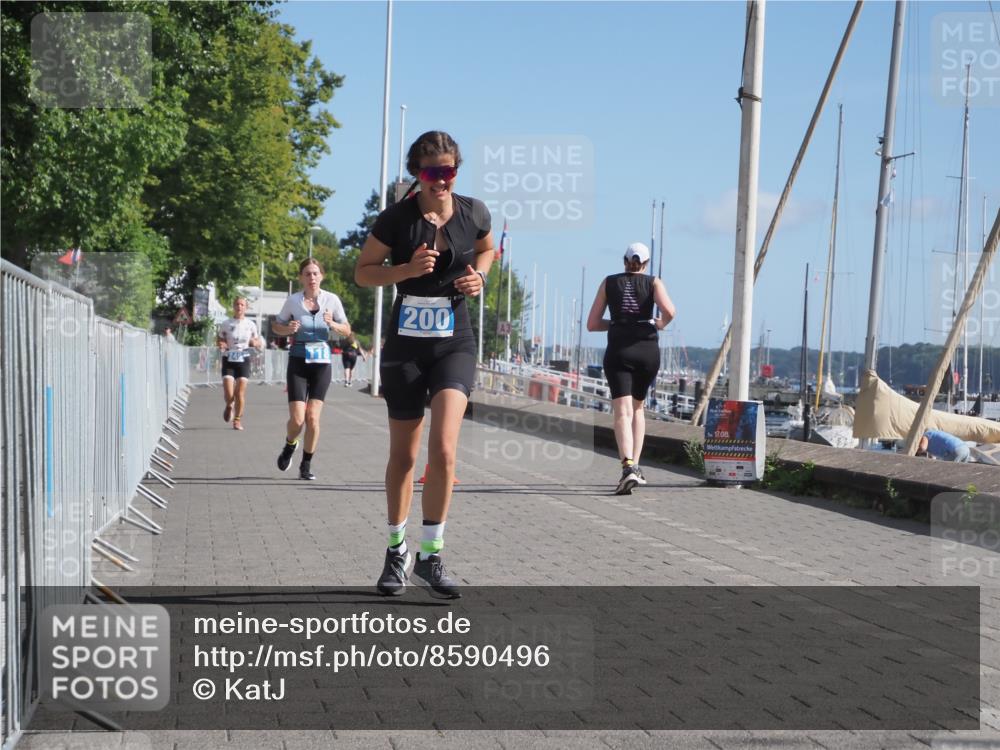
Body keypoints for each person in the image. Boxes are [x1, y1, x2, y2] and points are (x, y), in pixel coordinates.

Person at [356, 130, 493, 599]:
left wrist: (480, 276)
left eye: (450, 171)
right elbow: (363, 271)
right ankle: (397, 551)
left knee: (445, 452)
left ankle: (431, 555)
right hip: (406, 349)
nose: (442, 181)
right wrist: (404, 272)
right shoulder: (395, 219)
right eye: (434, 172)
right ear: (417, 172)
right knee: (404, 456)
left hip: (454, 343)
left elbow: (488, 247)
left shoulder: (473, 211)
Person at [587, 242, 676, 494]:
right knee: (638, 408)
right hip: (648, 351)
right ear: (646, 264)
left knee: (622, 412)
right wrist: (659, 323)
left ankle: (628, 467)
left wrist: (616, 322)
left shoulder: (608, 282)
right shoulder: (654, 282)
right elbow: (670, 311)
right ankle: (636, 466)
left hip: (619, 350)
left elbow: (592, 324)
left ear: (623, 260)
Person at [271, 258, 351, 480]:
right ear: (301, 278)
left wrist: (332, 324)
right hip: (298, 362)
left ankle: (305, 465)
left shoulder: (332, 300)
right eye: (307, 274)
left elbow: (346, 330)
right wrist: (288, 329)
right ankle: (289, 445)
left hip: (322, 364)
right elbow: (276, 327)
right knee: (297, 420)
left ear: (321, 276)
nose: (312, 277)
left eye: (315, 273)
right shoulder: (293, 301)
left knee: (313, 418)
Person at [217, 298, 264, 431]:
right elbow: (220, 339)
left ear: (246, 308)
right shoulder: (226, 323)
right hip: (229, 359)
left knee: (239, 393)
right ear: (233, 306)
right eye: (237, 304)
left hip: (244, 359)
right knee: (229, 394)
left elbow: (258, 341)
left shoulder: (251, 324)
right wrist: (221, 344)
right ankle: (229, 406)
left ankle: (237, 420)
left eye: (242, 304)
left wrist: (255, 343)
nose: (239, 306)